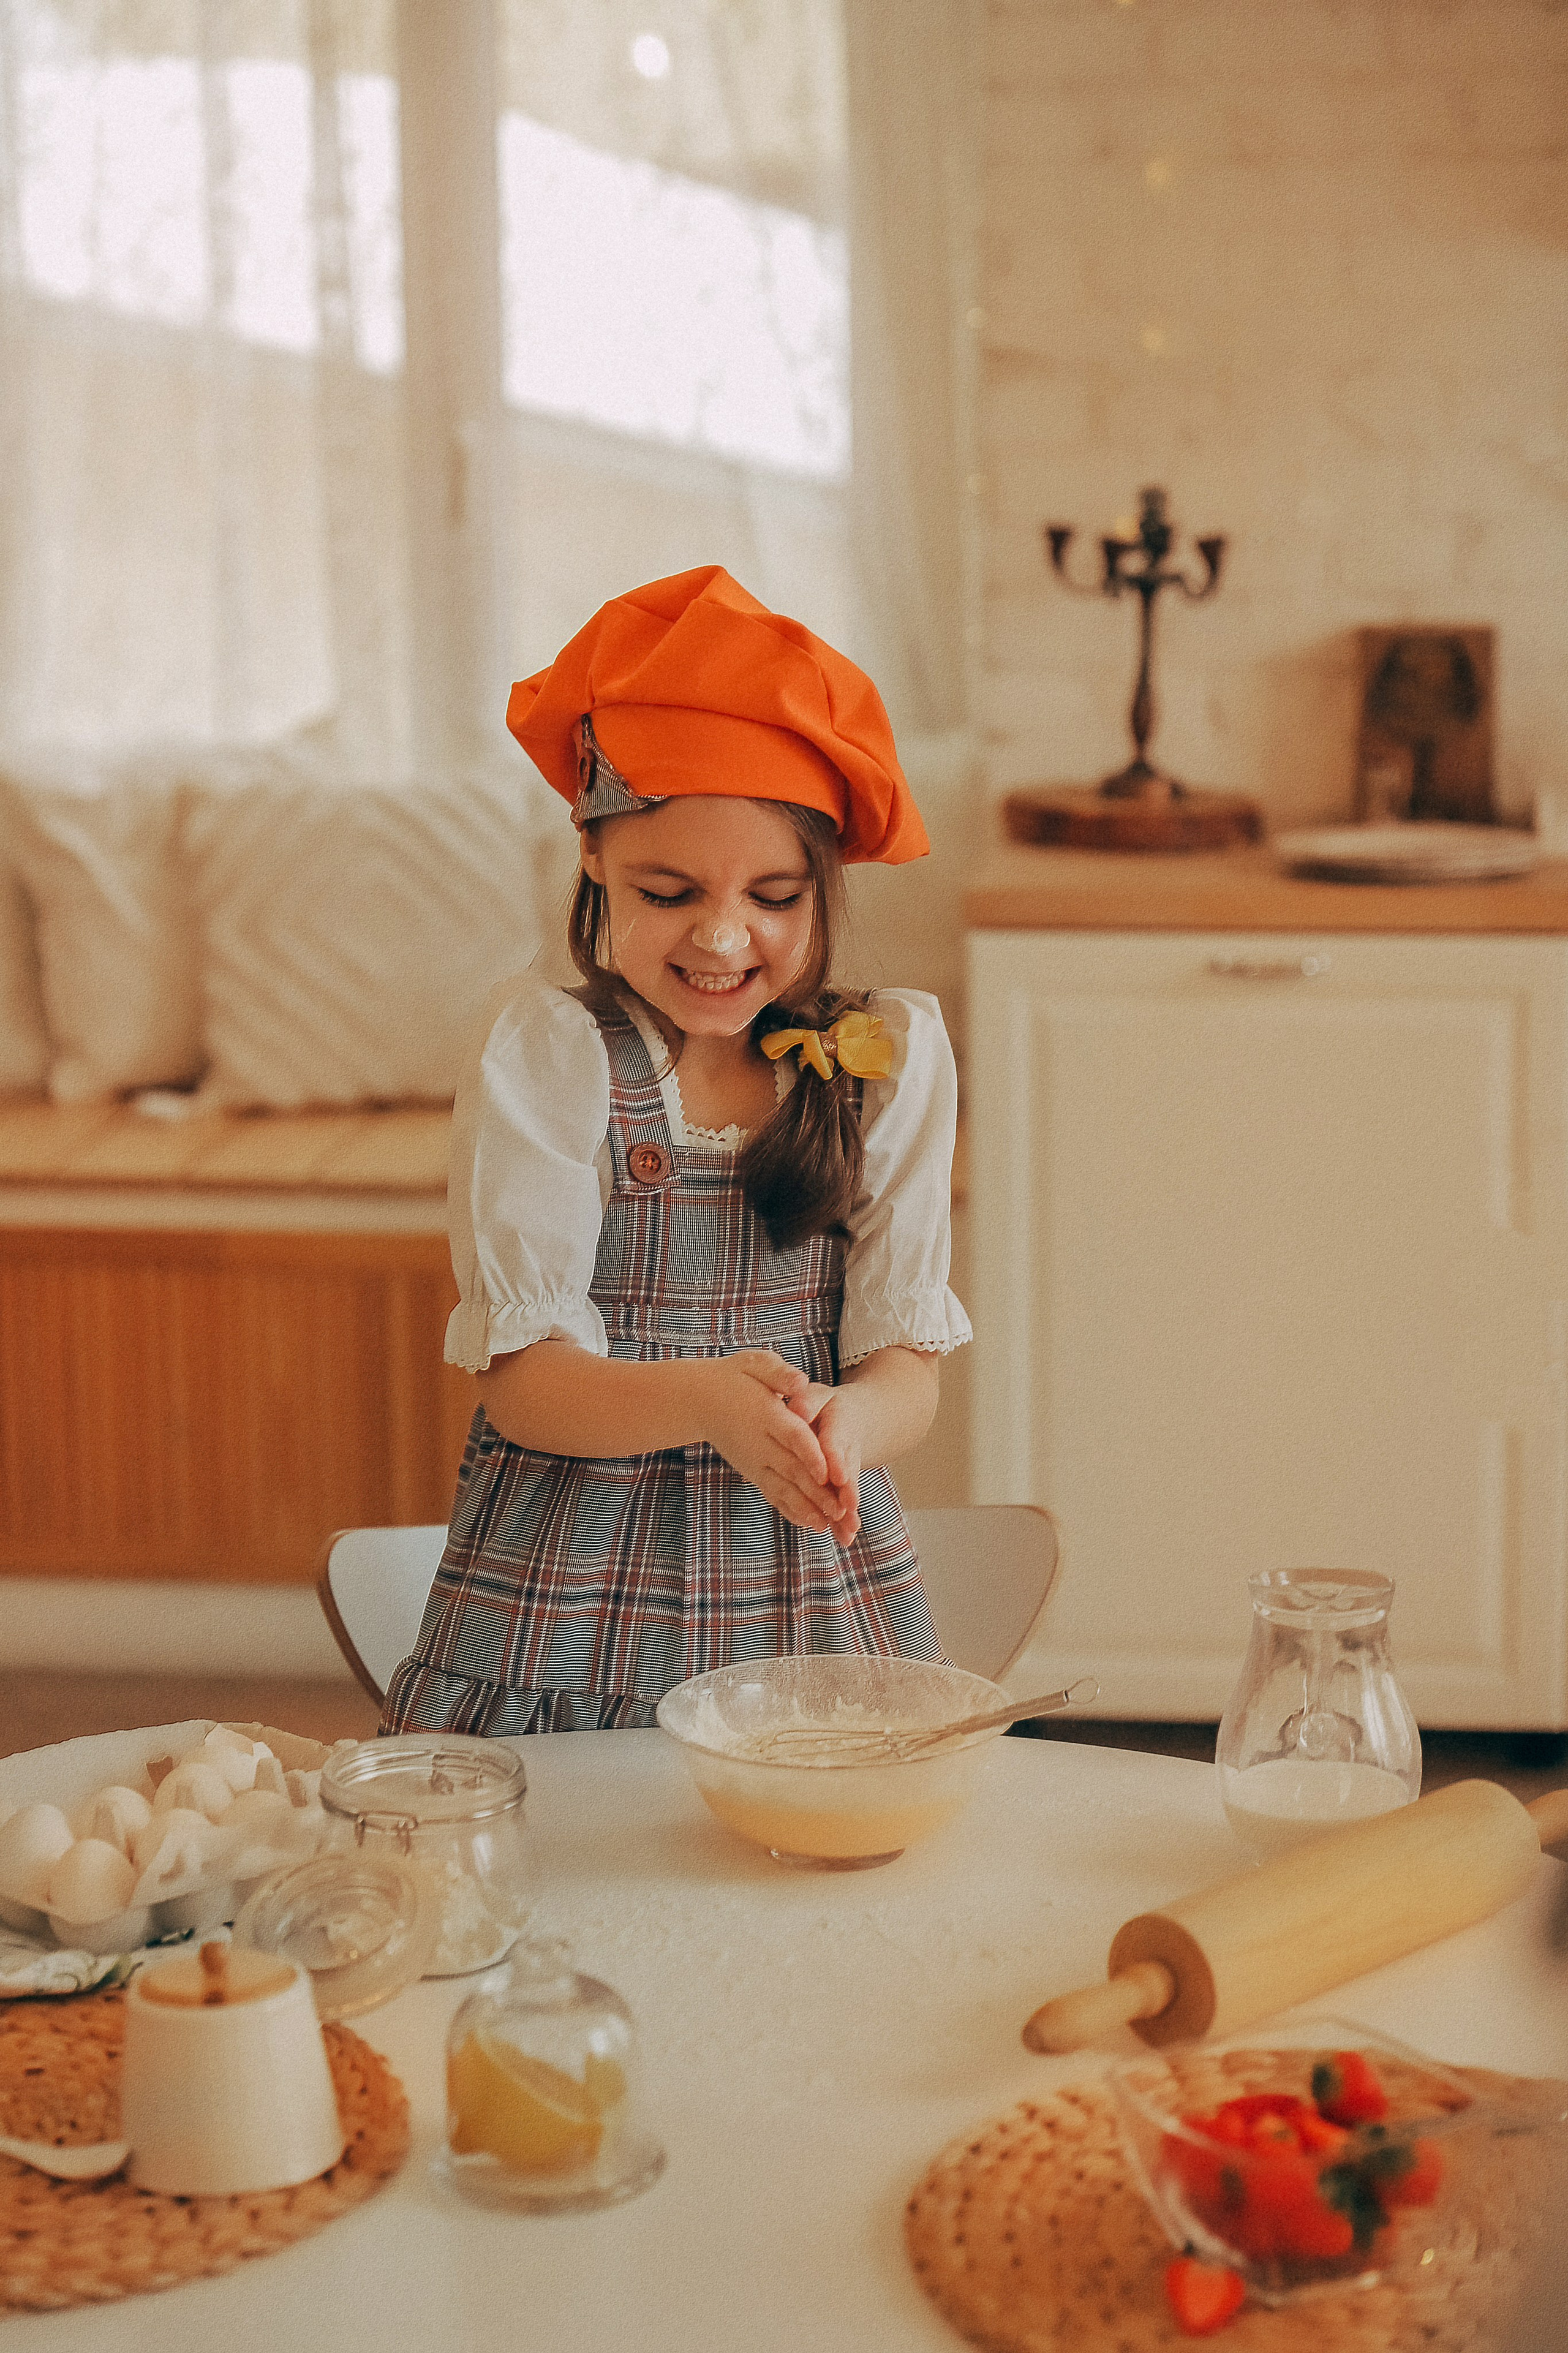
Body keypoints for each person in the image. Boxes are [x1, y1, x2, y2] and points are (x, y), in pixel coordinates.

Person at [380, 565, 971, 1736]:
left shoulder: (879, 1064)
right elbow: (528, 1387)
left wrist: (843, 1427)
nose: (721, 934)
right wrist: (707, 1400)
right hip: (569, 1593)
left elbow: (909, 1368)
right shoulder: (554, 1059)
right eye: (669, 889)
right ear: (593, 854)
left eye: (774, 895)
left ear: (825, 889)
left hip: (806, 1581)